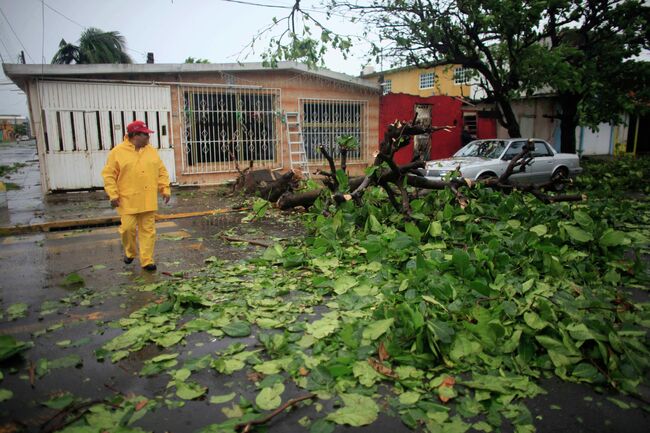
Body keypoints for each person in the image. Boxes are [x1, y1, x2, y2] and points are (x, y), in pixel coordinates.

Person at [101, 120, 171, 271]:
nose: (148, 137)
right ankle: (130, 252)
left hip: (148, 200)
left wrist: (165, 189)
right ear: (134, 135)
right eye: (145, 134)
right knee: (127, 229)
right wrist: (113, 194)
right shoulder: (117, 152)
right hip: (127, 200)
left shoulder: (151, 151)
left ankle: (147, 261)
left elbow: (161, 171)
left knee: (148, 231)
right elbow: (109, 175)